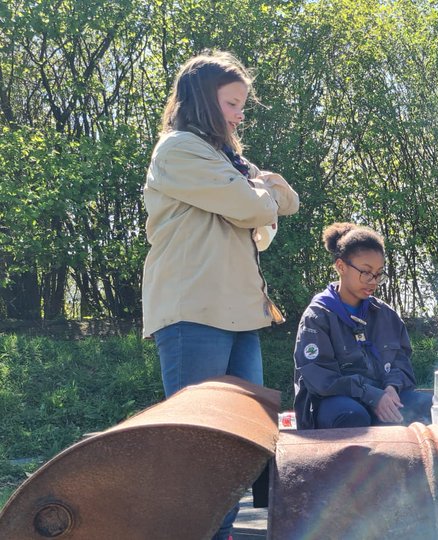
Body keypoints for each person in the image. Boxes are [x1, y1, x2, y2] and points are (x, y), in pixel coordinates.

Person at [142, 50, 299, 540]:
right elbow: (253, 206)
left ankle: (221, 534)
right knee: (199, 443)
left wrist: (258, 198)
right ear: (203, 102)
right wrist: (258, 195)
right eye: (231, 104)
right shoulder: (179, 150)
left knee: (242, 440)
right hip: (194, 312)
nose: (238, 116)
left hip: (237, 315)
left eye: (241, 106)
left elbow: (282, 206)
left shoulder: (224, 159)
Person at [293, 223, 432, 429]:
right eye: (366, 272)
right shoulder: (318, 316)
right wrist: (371, 396)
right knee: (352, 416)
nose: (373, 281)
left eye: (378, 273)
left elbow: (401, 363)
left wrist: (392, 387)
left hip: (382, 396)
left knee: (431, 406)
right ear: (341, 266)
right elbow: (320, 378)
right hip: (335, 402)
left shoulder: (386, 315)